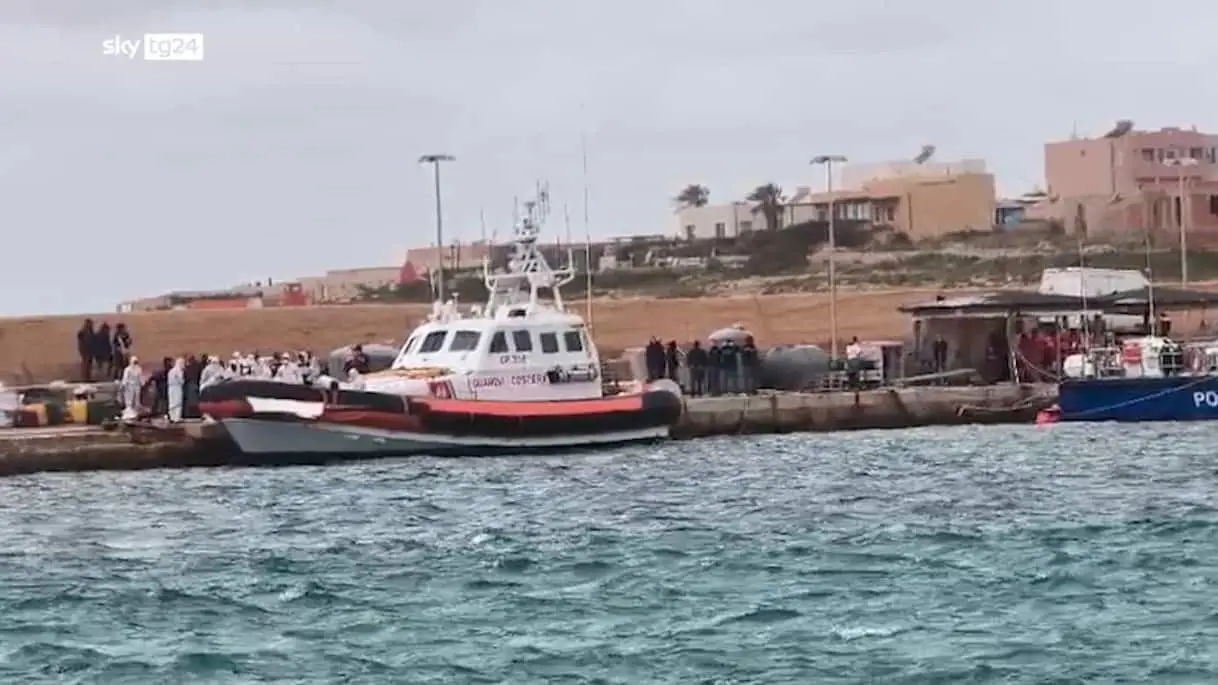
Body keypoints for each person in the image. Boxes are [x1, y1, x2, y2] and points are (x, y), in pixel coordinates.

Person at [120, 356, 143, 420]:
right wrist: (123, 385)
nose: (135, 363)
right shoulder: (127, 369)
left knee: (136, 399)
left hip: (137, 386)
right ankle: (129, 412)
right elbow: (125, 378)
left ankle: (135, 412)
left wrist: (142, 384)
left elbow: (140, 378)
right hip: (129, 386)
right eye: (134, 362)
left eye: (136, 362)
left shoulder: (139, 369)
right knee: (129, 399)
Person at [167, 357, 185, 423]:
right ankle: (177, 418)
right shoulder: (179, 371)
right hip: (177, 388)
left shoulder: (171, 371)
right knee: (178, 402)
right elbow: (181, 380)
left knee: (172, 402)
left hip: (170, 388)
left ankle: (172, 417)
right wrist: (183, 381)